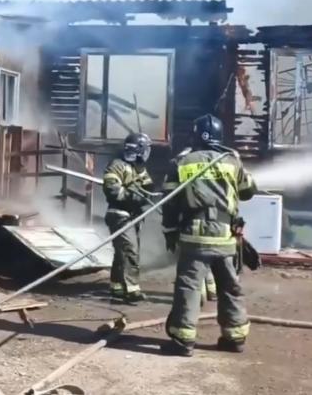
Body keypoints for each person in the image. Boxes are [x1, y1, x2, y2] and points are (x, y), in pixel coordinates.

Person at [160, 114, 257, 356]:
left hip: (195, 237)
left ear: (195, 136)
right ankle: (235, 338)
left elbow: (169, 203)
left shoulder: (181, 162)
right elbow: (248, 192)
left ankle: (183, 340)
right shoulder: (231, 161)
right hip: (226, 237)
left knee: (189, 287)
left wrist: (170, 231)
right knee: (230, 287)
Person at [102, 132, 154, 304]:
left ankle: (117, 286)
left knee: (122, 252)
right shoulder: (117, 165)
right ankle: (132, 289)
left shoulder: (138, 168)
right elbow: (112, 190)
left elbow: (148, 187)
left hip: (133, 215)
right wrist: (134, 196)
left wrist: (147, 192)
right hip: (119, 215)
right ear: (139, 150)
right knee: (130, 251)